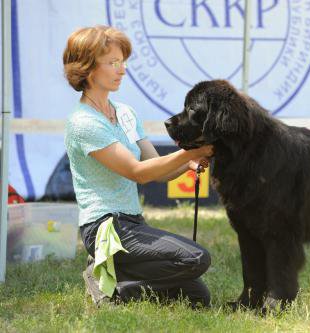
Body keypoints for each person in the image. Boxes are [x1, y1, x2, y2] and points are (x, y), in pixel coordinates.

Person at [62, 25, 213, 307]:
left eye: (123, 62)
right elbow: (137, 172)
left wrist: (189, 163)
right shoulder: (84, 123)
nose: (122, 70)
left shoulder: (126, 113)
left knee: (198, 297)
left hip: (131, 223)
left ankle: (115, 276)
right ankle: (111, 286)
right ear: (88, 68)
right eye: (113, 63)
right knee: (196, 258)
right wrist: (195, 150)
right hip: (105, 228)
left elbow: (155, 167)